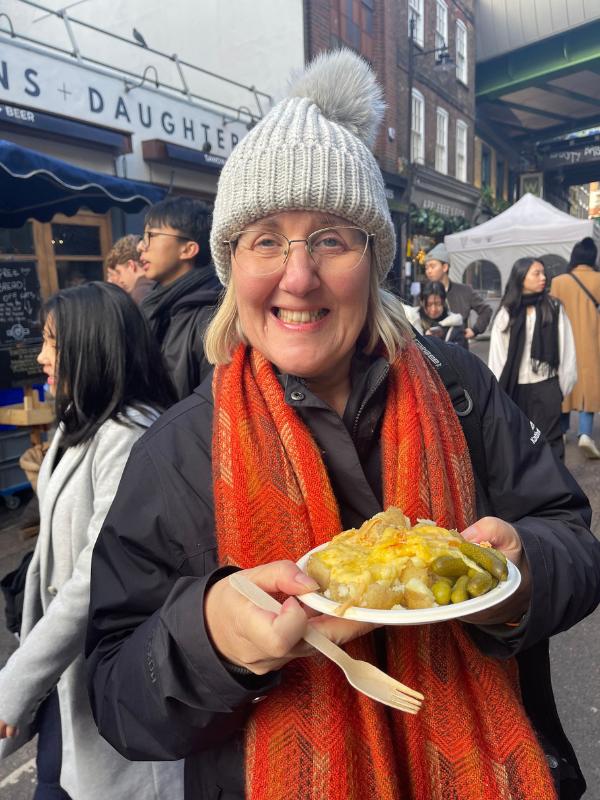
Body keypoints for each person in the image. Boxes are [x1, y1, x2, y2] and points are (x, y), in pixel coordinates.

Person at [86, 50, 600, 800]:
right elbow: (114, 694)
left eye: (332, 237)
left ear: (375, 258)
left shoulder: (459, 387)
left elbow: (573, 540)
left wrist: (520, 581)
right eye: (266, 239)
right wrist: (209, 641)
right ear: (234, 265)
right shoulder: (177, 449)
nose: (298, 275)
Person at [0, 283, 182, 800]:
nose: (40, 356)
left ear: (92, 345)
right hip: (67, 674)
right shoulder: (79, 419)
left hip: (108, 673)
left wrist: (17, 680)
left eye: (52, 342)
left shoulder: (127, 434)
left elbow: (94, 575)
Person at [488, 257, 576, 461]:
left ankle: (556, 489)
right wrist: (498, 393)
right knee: (520, 441)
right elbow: (497, 357)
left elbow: (567, 349)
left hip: (547, 385)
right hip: (516, 387)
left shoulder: (553, 307)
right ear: (521, 277)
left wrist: (561, 387)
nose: (543, 278)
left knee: (551, 442)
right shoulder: (507, 312)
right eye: (536, 273)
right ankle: (529, 490)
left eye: (543, 273)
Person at [138, 196, 222, 399]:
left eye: (151, 235)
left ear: (188, 249)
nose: (141, 246)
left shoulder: (211, 318)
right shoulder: (155, 306)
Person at [551, 237, 600, 458]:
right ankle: (585, 434)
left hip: (562, 341)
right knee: (589, 384)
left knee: (563, 383)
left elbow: (550, 313)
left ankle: (561, 430)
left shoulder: (559, 281)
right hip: (592, 341)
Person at [424, 242, 492, 345]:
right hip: (432, 349)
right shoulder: (424, 293)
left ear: (445, 267)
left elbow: (486, 310)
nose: (428, 271)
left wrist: (475, 329)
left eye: (432, 266)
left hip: (459, 349)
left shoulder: (464, 291)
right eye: (426, 268)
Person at [407, 280, 465, 345]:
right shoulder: (412, 321)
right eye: (429, 304)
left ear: (444, 302)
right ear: (422, 301)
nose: (434, 309)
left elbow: (461, 352)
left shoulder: (455, 323)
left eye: (438, 304)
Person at [105, 234, 155, 304]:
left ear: (131, 265)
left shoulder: (140, 293)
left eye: (119, 272)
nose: (121, 280)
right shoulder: (157, 284)